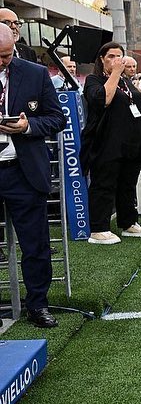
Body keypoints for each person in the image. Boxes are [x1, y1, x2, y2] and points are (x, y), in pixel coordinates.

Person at [0, 25, 65, 328]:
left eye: (7, 54)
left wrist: (27, 127)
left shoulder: (35, 73)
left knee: (35, 244)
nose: (4, 61)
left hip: (23, 172)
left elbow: (56, 118)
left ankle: (38, 304)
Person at [81, 42, 141, 245]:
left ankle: (128, 222)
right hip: (106, 143)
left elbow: (136, 105)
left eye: (119, 56)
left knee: (127, 184)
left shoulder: (126, 82)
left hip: (131, 144)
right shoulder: (94, 80)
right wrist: (114, 74)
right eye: (111, 56)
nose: (116, 60)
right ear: (102, 59)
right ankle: (99, 227)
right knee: (104, 184)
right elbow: (103, 99)